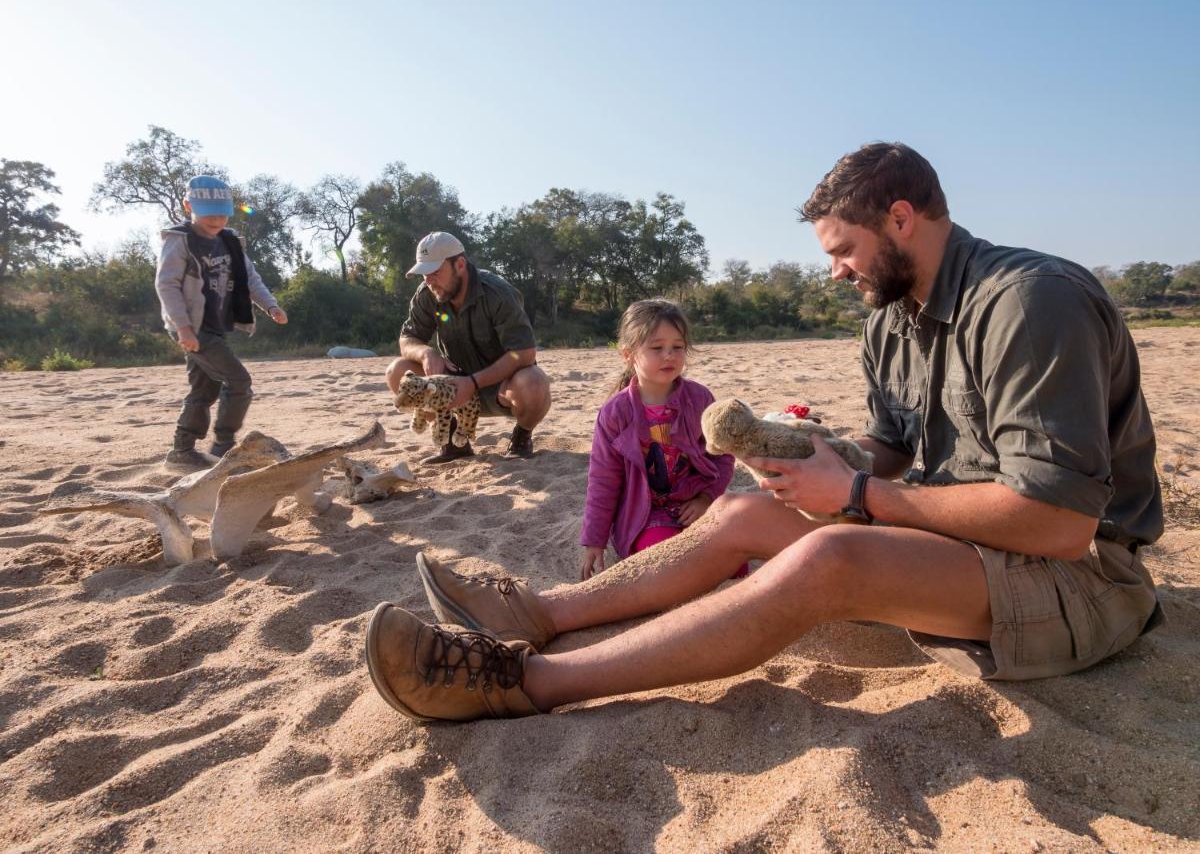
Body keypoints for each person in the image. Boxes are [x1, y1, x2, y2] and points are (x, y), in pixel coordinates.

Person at [365, 142, 1164, 722]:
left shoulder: (1030, 302)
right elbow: (890, 452)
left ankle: (526, 684)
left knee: (833, 553)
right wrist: (806, 457)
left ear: (901, 218)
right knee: (745, 514)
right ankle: (539, 614)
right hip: (974, 551)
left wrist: (854, 494)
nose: (836, 272)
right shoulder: (892, 319)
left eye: (844, 250)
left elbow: (1058, 524)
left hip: (1077, 581)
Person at [579, 299, 735, 580]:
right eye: (656, 347)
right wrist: (595, 540)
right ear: (628, 354)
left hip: (696, 505)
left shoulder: (699, 399)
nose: (669, 355)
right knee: (669, 562)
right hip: (645, 517)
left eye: (677, 347)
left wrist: (706, 498)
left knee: (736, 563)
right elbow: (603, 480)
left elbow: (722, 456)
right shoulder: (616, 412)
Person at [155, 176, 287, 470]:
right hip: (191, 326)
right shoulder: (179, 242)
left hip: (213, 325)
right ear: (188, 205)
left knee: (204, 388)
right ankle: (223, 446)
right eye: (208, 212)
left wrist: (270, 305)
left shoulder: (230, 242)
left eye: (222, 212)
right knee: (239, 381)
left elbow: (250, 278)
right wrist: (184, 328)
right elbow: (167, 285)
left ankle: (181, 452)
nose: (216, 219)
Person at [386, 231, 551, 463]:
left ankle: (521, 438)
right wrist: (426, 352)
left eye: (434, 271)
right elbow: (407, 339)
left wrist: (473, 383)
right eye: (424, 274)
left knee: (534, 382)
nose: (428, 280)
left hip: (503, 389)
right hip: (451, 388)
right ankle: (454, 443)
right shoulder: (428, 294)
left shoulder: (498, 293)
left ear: (460, 264)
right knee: (398, 372)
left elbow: (523, 353)